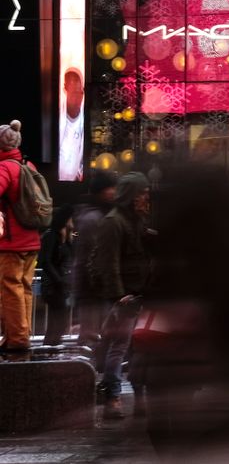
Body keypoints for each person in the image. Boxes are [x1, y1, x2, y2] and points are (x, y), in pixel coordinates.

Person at [90, 172, 152, 419]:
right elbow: (109, 263)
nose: (145, 197)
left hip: (140, 292)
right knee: (120, 347)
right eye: (141, 193)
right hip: (125, 296)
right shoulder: (113, 222)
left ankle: (138, 397)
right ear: (131, 195)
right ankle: (113, 396)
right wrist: (119, 297)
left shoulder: (137, 220)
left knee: (139, 349)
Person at [0, 120, 41, 353]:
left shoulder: (5, 168)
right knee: (24, 289)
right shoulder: (29, 166)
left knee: (10, 289)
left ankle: (16, 338)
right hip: (31, 239)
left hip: (11, 242)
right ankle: (19, 335)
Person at [72, 170, 117, 348]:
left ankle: (94, 368)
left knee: (97, 332)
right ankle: (86, 371)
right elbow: (91, 258)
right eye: (110, 188)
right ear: (101, 191)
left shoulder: (100, 214)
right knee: (91, 334)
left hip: (95, 286)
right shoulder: (94, 218)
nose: (114, 192)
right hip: (91, 287)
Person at [38, 206, 76, 346]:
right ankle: (49, 348)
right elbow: (45, 261)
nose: (73, 221)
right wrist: (59, 281)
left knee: (60, 321)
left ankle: (51, 347)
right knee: (58, 321)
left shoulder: (65, 238)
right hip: (54, 286)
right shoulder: (51, 236)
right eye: (70, 218)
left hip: (61, 286)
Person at [59, 68, 85, 183]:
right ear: (65, 89)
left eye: (80, 92)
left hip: (75, 181)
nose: (77, 97)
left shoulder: (84, 120)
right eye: (73, 92)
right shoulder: (57, 117)